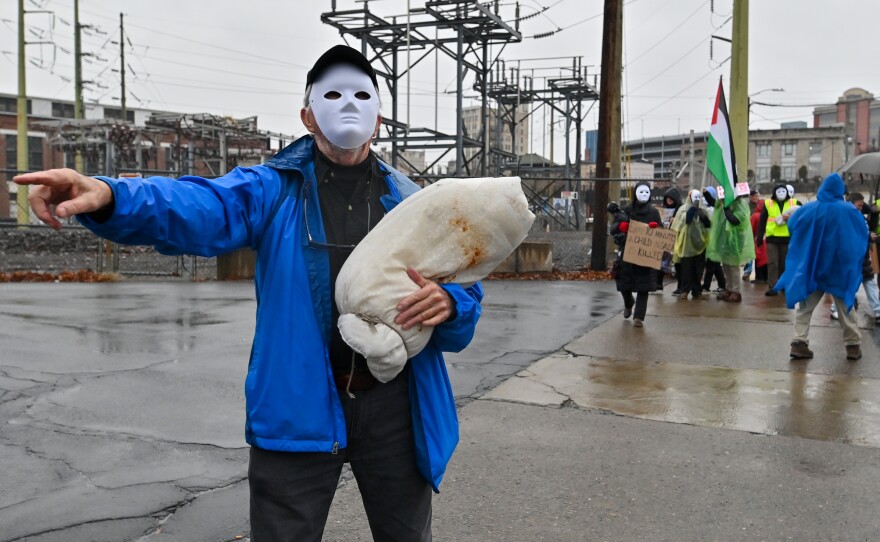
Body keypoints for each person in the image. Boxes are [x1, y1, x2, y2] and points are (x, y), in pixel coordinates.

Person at [13, 45, 483, 542]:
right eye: (334, 94)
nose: (349, 105)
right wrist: (112, 196)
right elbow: (198, 205)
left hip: (396, 405)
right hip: (298, 401)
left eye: (362, 94)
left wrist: (452, 304)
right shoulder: (272, 189)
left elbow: (466, 286)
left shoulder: (413, 201)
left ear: (379, 120)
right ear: (307, 116)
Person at [777, 174, 868, 361]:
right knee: (845, 306)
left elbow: (793, 225)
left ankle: (799, 342)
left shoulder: (808, 208)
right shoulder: (849, 210)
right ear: (840, 190)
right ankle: (852, 346)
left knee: (805, 306)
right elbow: (862, 232)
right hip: (839, 267)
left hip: (814, 265)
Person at [610, 182, 662, 327]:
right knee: (623, 284)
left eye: (646, 192)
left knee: (643, 285)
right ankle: (628, 303)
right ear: (635, 193)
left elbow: (661, 232)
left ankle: (639, 317)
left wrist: (655, 228)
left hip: (645, 255)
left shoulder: (653, 213)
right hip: (627, 252)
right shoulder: (625, 211)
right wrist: (621, 226)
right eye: (641, 192)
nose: (644, 195)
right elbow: (613, 228)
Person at [706, 183, 755, 303]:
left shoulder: (740, 205)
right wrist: (706, 195)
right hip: (725, 240)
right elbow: (715, 204)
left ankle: (736, 292)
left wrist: (726, 208)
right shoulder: (726, 203)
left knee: (733, 267)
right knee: (726, 266)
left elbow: (734, 220)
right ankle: (728, 289)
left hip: (736, 241)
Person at [755, 183, 797, 296]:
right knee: (772, 263)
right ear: (774, 193)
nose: (781, 193)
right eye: (779, 191)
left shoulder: (794, 202)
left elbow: (802, 217)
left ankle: (783, 285)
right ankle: (773, 287)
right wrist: (759, 237)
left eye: (783, 191)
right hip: (772, 238)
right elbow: (762, 221)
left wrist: (791, 218)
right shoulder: (768, 203)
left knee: (784, 264)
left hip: (787, 238)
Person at [671, 189, 712, 299]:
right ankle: (685, 289)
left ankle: (696, 290)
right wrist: (693, 209)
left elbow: (708, 225)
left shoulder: (703, 210)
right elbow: (684, 221)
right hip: (686, 244)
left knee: (698, 269)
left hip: (700, 243)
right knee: (686, 269)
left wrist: (702, 215)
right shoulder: (683, 209)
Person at [701, 186, 727, 293]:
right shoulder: (714, 209)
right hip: (712, 239)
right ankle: (721, 284)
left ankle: (707, 285)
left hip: (714, 239)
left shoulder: (713, 210)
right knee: (715, 263)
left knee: (712, 263)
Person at [658, 186, 683, 293]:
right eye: (667, 198)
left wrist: (675, 220)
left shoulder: (680, 210)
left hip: (677, 239)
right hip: (665, 238)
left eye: (671, 199)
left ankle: (681, 286)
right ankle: (658, 284)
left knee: (678, 264)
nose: (669, 200)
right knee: (662, 262)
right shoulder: (663, 209)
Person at [749, 200, 768, 284]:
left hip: (758, 240)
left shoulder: (755, 216)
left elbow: (750, 229)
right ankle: (766, 277)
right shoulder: (770, 215)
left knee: (758, 258)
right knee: (766, 259)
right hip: (768, 239)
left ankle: (759, 278)